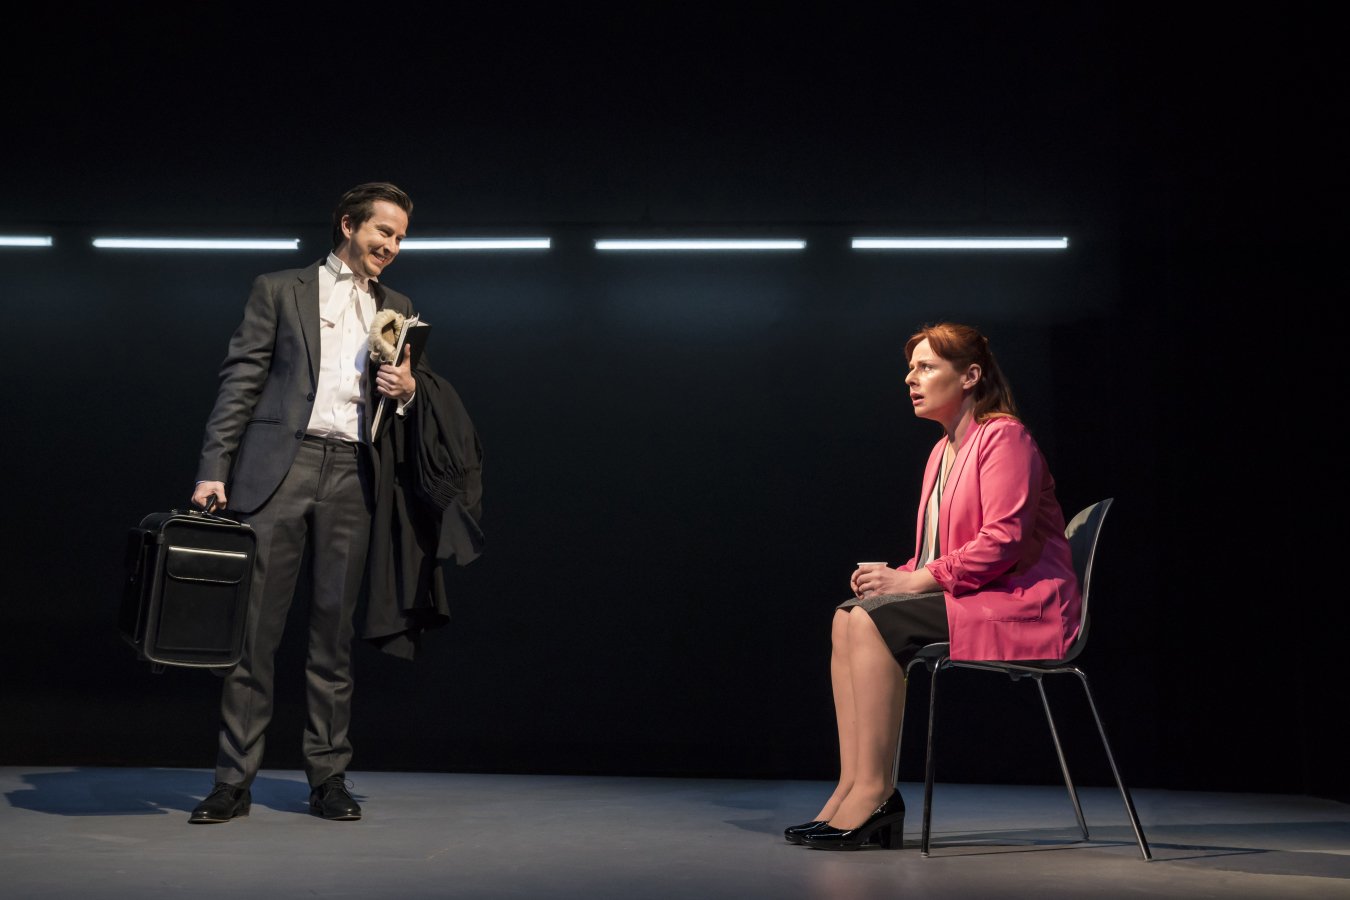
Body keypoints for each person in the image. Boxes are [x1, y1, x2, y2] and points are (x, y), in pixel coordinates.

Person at [786, 322, 1082, 851]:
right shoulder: (943, 451)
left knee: (873, 621)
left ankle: (875, 794)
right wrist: (893, 577)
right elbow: (940, 552)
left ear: (970, 376)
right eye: (911, 368)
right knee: (849, 614)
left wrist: (911, 581)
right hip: (979, 593)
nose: (910, 378)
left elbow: (1002, 541)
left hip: (1025, 604)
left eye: (925, 367)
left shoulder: (1004, 436)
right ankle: (852, 786)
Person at [187, 182, 429, 824]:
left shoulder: (397, 306)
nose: (393, 246)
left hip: (353, 473)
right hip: (278, 471)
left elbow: (400, 403)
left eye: (401, 238)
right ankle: (233, 782)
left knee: (332, 637)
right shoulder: (279, 288)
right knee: (253, 635)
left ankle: (327, 778)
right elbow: (240, 381)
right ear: (349, 225)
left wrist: (406, 390)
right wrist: (214, 469)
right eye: (384, 231)